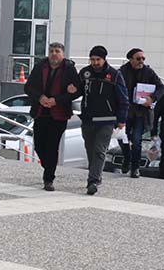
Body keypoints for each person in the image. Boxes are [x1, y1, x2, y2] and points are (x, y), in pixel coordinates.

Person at [24, 42, 81, 191]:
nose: (54, 54)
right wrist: (40, 97)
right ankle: (48, 165)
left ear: (62, 54)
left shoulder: (69, 69)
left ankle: (48, 178)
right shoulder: (40, 67)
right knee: (39, 145)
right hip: (40, 112)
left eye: (57, 51)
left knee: (52, 146)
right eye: (51, 51)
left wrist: (57, 100)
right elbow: (28, 87)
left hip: (59, 114)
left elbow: (76, 91)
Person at [75, 46, 128, 195]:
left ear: (104, 59)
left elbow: (123, 99)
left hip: (107, 120)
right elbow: (78, 91)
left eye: (98, 59)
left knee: (99, 150)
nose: (95, 63)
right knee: (90, 149)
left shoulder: (114, 75)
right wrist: (72, 90)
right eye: (92, 59)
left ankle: (93, 180)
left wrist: (122, 119)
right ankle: (95, 174)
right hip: (88, 118)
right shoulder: (85, 73)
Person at [119, 48, 164, 178]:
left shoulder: (148, 72)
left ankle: (135, 167)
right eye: (138, 58)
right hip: (125, 111)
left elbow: (161, 87)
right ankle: (127, 157)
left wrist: (152, 98)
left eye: (143, 58)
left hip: (141, 113)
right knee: (122, 138)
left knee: (137, 140)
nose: (141, 61)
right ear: (130, 59)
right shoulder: (122, 72)